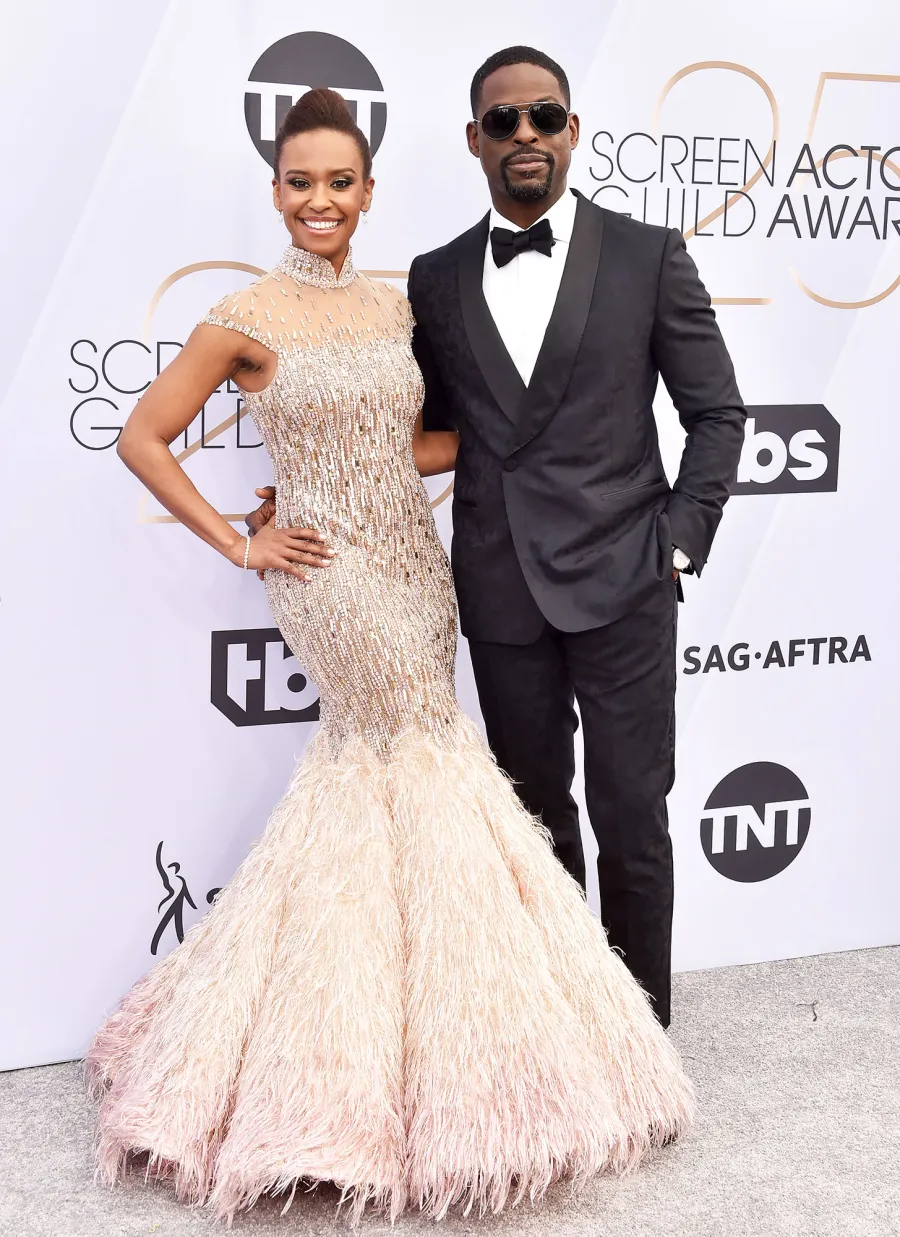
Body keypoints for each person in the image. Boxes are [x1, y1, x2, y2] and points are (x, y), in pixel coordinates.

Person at [84, 87, 692, 1225]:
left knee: (397, 776)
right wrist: (245, 538)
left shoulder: (395, 301)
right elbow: (141, 436)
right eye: (300, 182)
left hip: (415, 565)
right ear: (274, 191)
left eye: (341, 182)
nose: (321, 201)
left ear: (369, 192)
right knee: (412, 757)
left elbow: (429, 436)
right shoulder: (244, 315)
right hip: (327, 578)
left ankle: (425, 1046)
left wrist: (504, 443)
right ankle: (372, 1075)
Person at [249, 48, 746, 1032]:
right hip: (499, 588)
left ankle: (641, 1033)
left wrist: (678, 544)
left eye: (544, 117)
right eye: (504, 122)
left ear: (571, 131)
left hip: (627, 583)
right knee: (532, 819)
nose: (526, 136)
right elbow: (408, 426)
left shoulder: (649, 256)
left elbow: (719, 414)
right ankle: (562, 1023)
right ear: (474, 140)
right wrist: (302, 484)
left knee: (632, 820)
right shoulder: (432, 280)